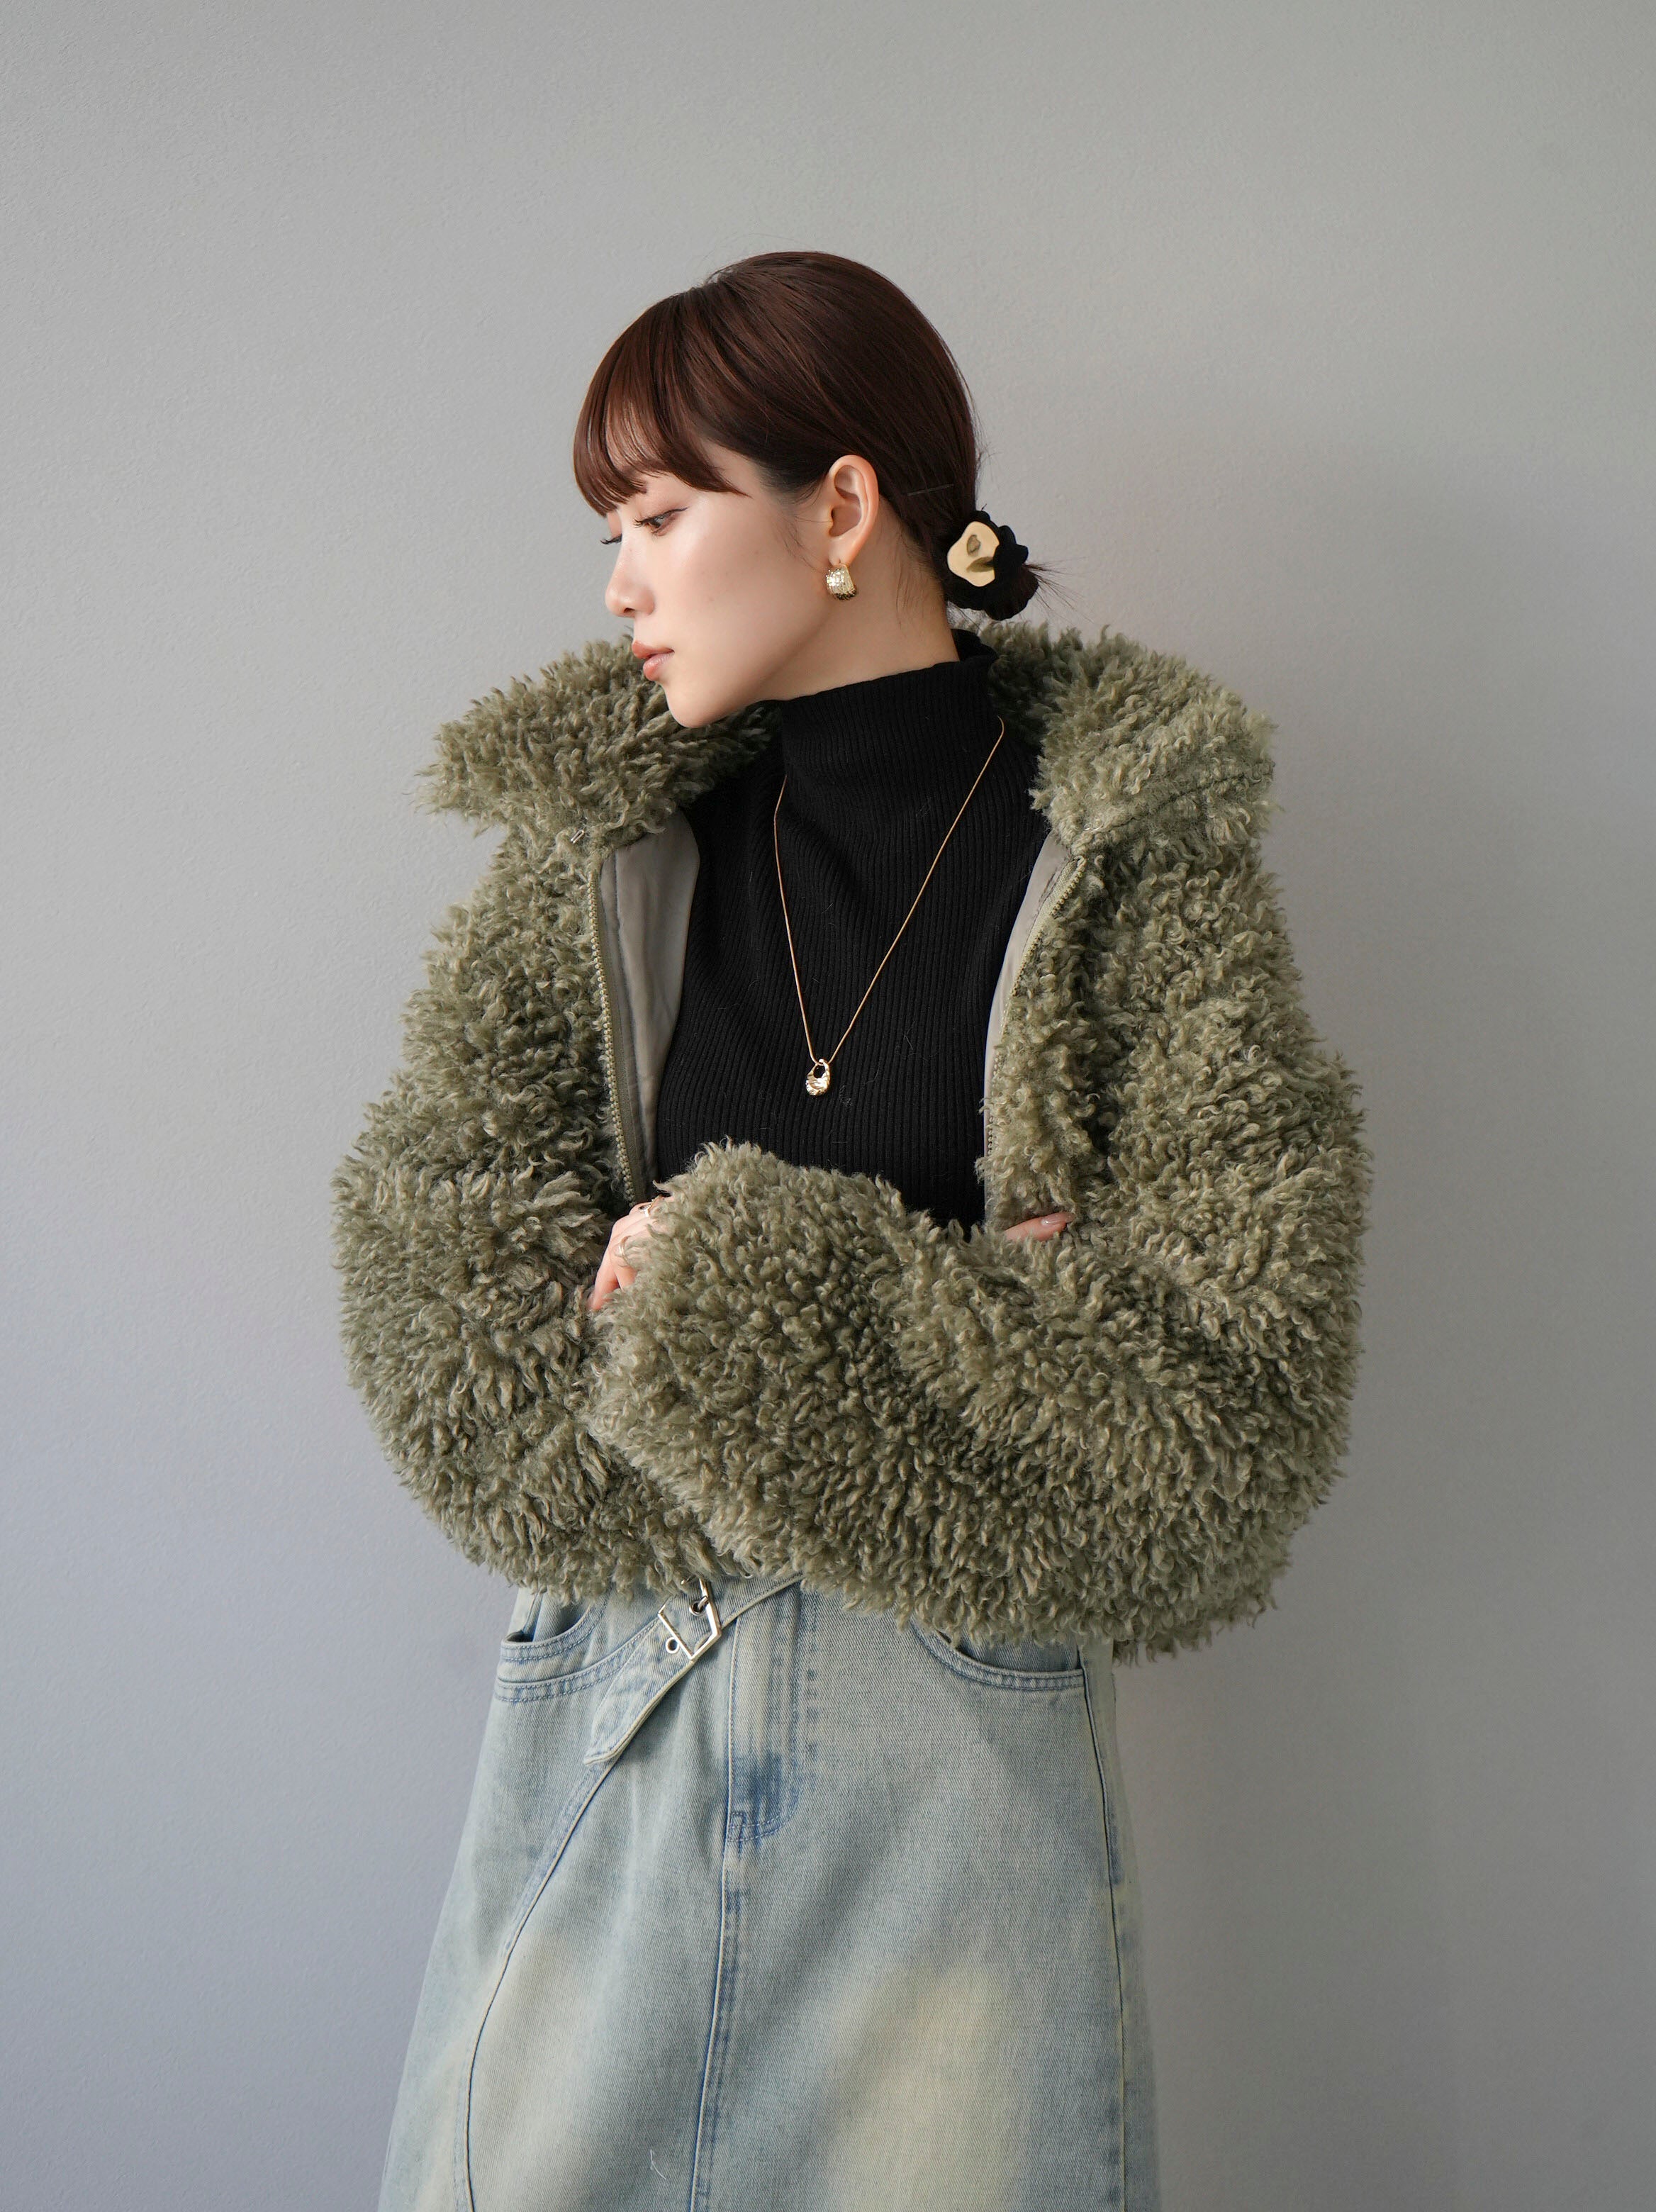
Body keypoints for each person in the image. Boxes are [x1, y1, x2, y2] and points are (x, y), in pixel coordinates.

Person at [332, 249, 1371, 2212]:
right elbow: (438, 1285)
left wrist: (713, 1290)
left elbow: (1226, 1401)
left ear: (841, 508)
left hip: (955, 1762)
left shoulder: (1125, 855)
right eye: (610, 532)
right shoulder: (600, 856)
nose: (620, 584)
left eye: (658, 516)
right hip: (623, 1703)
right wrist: (974, 1308)